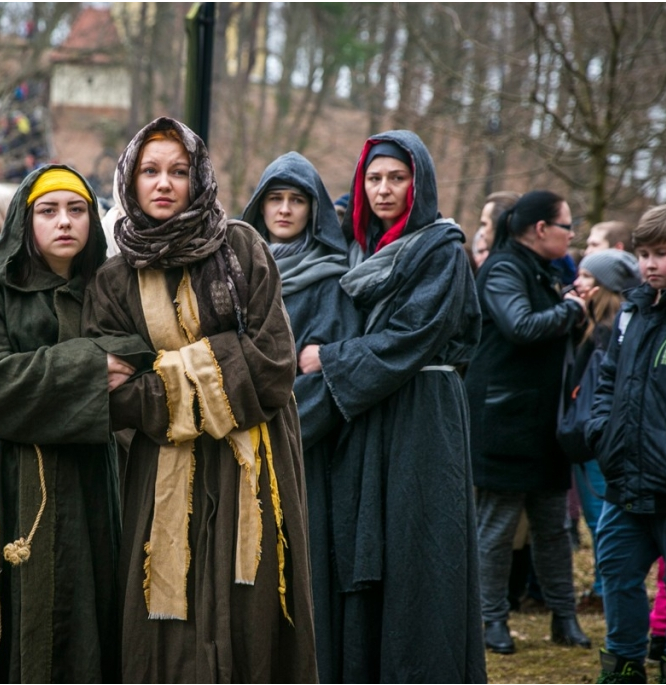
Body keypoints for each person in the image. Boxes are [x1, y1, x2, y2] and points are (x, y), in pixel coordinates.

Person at [82, 117, 318, 683]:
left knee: (252, 604)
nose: (164, 184)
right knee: (165, 621)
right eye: (150, 171)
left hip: (254, 466)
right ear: (130, 182)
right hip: (162, 472)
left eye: (179, 172)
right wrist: (219, 359)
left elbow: (273, 368)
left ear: (200, 179)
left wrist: (164, 374)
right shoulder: (113, 280)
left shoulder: (241, 247)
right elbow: (112, 393)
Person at [0, 166, 132, 681]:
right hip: (0, 480)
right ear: (23, 219)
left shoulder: (111, 289)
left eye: (76, 210)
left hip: (86, 485)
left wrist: (40, 380)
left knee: (82, 609)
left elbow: (135, 357)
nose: (64, 222)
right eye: (48, 211)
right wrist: (87, 368)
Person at [297, 131, 485, 682]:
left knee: (418, 550)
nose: (384, 190)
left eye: (396, 179)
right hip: (374, 412)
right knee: (371, 549)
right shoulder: (360, 252)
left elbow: (413, 334)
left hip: (423, 417)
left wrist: (330, 358)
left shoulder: (441, 248)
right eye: (373, 179)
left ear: (418, 183)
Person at [240, 151, 358, 683]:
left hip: (299, 451)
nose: (284, 210)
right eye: (275, 198)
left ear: (314, 210)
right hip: (235, 439)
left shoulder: (333, 279)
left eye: (296, 200)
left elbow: (326, 372)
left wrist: (277, 432)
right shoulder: (234, 269)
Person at [465, 189, 592, 656]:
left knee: (554, 527)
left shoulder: (537, 269)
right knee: (497, 529)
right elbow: (521, 326)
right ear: (541, 229)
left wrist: (570, 304)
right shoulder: (503, 268)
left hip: (541, 424)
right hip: (504, 424)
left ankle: (565, 619)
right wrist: (573, 308)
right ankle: (491, 621)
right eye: (566, 225)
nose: (572, 234)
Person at [586, 204, 666, 684]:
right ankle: (623, 668)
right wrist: (600, 432)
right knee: (615, 572)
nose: (650, 264)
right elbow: (607, 378)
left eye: (661, 253)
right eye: (643, 255)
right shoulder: (633, 310)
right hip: (624, 480)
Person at [567, 249, 641, 613]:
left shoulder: (613, 334)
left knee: (600, 520)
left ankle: (602, 589)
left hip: (600, 442)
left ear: (606, 288)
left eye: (586, 278)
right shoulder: (591, 327)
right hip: (587, 438)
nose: (577, 283)